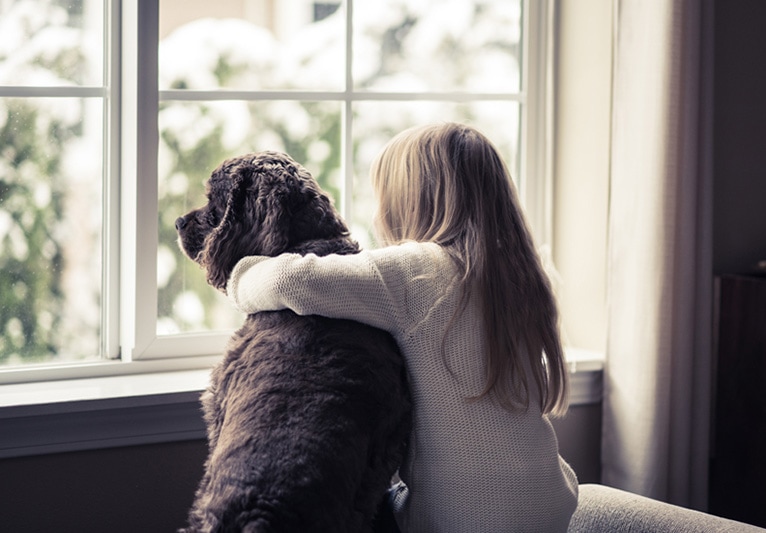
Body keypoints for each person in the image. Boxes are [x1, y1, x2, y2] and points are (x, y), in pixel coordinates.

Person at [226, 122, 579, 532]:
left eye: (381, 197)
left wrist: (238, 274)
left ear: (409, 203)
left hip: (462, 519)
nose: (377, 213)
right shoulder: (524, 274)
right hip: (551, 503)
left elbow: (289, 281)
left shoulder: (419, 272)